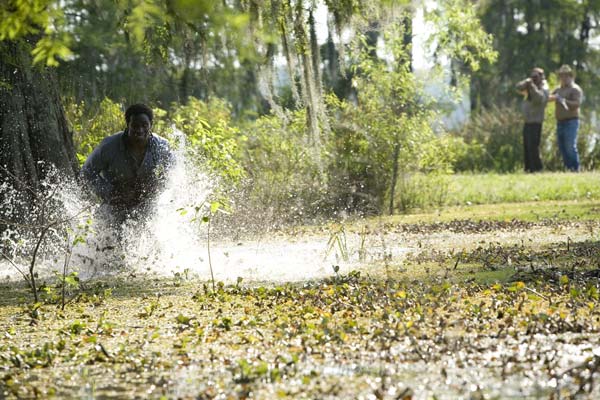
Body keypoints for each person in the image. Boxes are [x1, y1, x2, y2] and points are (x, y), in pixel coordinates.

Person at [82, 104, 174, 224]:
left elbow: (174, 171)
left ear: (151, 124)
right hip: (114, 207)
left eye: (144, 125)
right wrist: (110, 192)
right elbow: (87, 171)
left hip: (147, 206)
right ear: (128, 125)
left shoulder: (162, 146)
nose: (140, 130)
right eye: (135, 126)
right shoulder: (109, 146)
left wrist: (157, 185)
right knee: (107, 237)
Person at [549, 65, 584, 172]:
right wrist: (553, 97)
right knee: (562, 147)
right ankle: (568, 169)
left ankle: (575, 169)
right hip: (560, 122)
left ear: (570, 76)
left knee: (570, 146)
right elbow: (548, 97)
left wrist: (563, 100)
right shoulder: (558, 89)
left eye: (566, 76)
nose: (563, 78)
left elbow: (576, 104)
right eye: (561, 76)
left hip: (571, 122)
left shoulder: (575, 89)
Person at [516, 67, 549, 172]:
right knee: (526, 146)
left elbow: (539, 99)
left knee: (533, 146)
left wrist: (532, 86)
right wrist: (526, 82)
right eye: (532, 76)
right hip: (528, 121)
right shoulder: (530, 85)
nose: (534, 78)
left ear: (541, 76)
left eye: (536, 76)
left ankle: (537, 168)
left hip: (536, 121)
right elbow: (518, 87)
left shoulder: (544, 87)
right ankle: (528, 168)